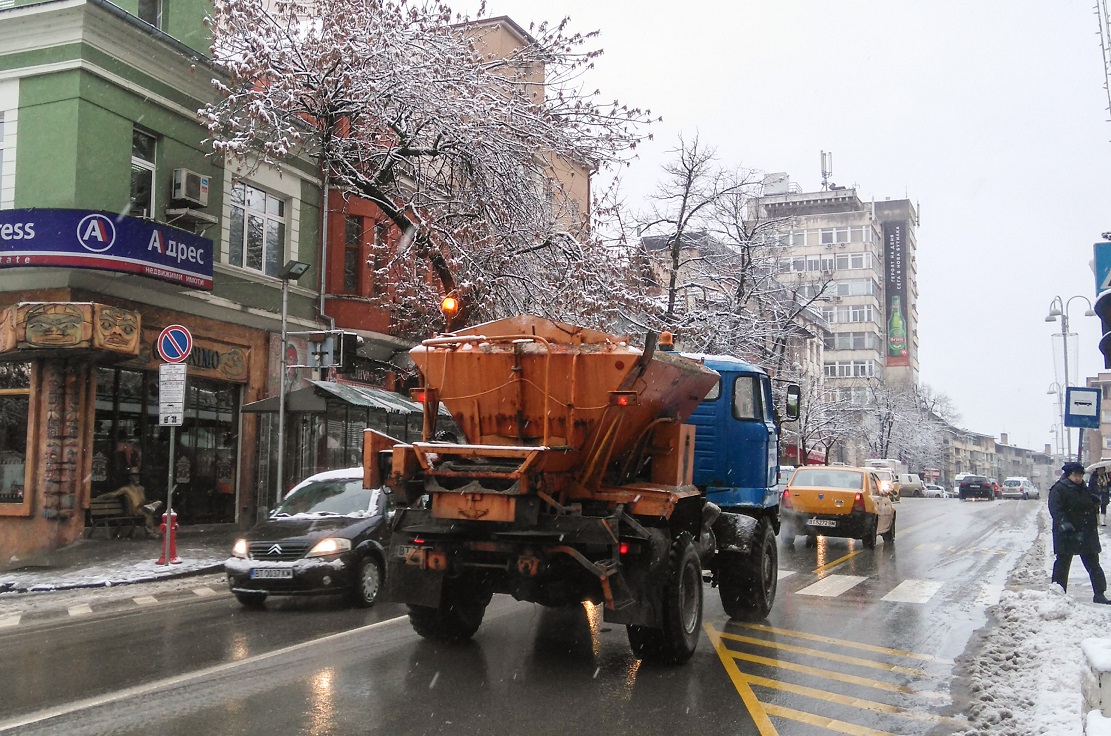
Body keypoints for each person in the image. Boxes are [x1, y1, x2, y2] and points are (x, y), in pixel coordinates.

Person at [1049, 461, 1111, 604]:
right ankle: (1057, 594)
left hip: (1086, 531)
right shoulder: (1059, 489)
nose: (1078, 478)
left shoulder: (1084, 488)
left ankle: (1099, 593)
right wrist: (1064, 524)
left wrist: (1094, 501)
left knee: (1093, 564)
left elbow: (1087, 505)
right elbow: (1056, 509)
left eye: (1080, 475)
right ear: (1068, 475)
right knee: (1063, 564)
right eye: (1075, 475)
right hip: (1067, 533)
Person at [99, 468, 162, 537]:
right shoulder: (126, 489)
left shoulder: (141, 488)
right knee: (148, 512)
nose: (137, 478)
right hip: (134, 510)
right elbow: (114, 494)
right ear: (130, 477)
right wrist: (103, 496)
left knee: (149, 509)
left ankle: (151, 510)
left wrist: (149, 502)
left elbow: (143, 500)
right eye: (135, 476)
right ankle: (150, 532)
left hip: (143, 507)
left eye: (138, 476)